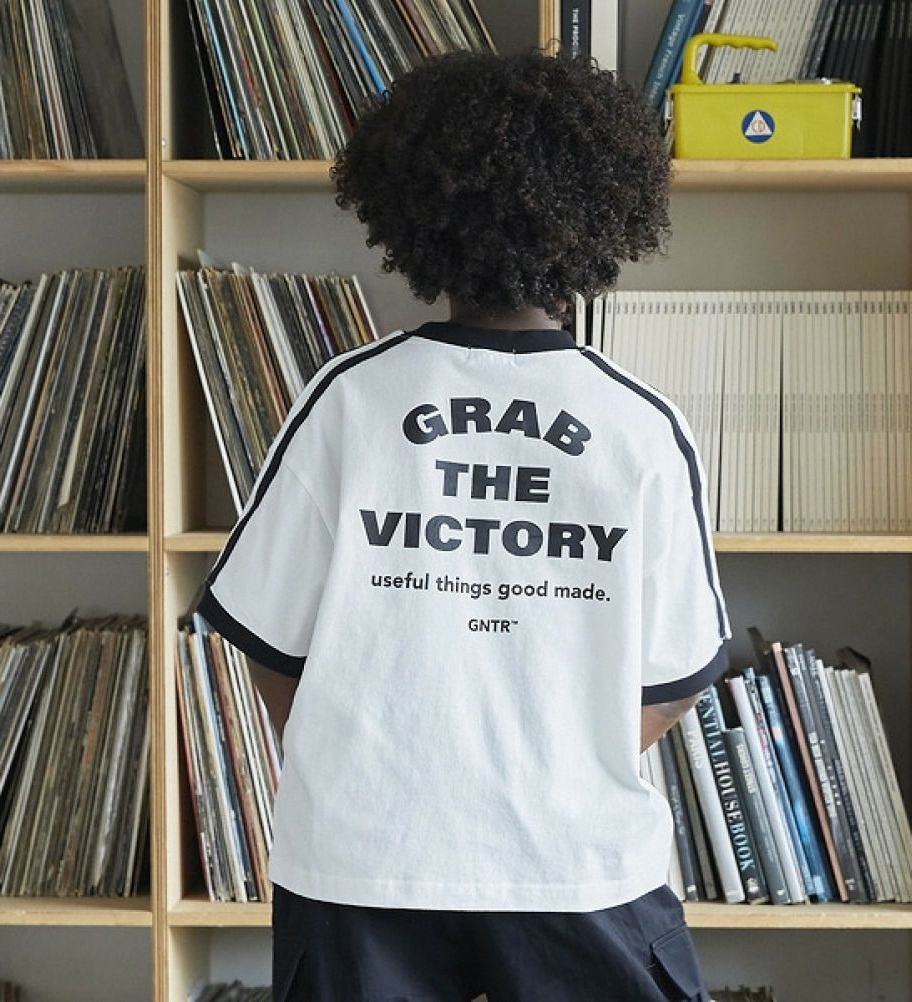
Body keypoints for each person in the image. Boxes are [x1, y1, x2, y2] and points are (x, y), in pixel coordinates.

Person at [196, 46, 731, 1002]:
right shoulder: (639, 426)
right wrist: (553, 752)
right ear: (605, 218)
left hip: (362, 859)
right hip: (576, 867)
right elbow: (677, 677)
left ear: (412, 213)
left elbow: (269, 643)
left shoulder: (348, 399)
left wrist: (366, 750)